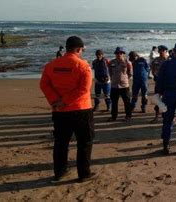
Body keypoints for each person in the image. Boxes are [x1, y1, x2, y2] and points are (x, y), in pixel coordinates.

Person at [40, 36, 95, 183]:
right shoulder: (83, 66)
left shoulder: (51, 65)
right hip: (81, 109)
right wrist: (64, 101)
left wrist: (56, 101)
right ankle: (83, 174)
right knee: (84, 142)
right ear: (78, 49)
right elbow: (84, 89)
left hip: (60, 112)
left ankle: (60, 172)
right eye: (82, 50)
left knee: (61, 143)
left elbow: (44, 85)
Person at [108, 47, 133, 122]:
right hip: (114, 86)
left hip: (124, 86)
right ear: (115, 54)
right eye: (117, 53)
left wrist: (124, 79)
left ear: (123, 54)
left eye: (120, 53)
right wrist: (114, 79)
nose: (119, 54)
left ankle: (128, 116)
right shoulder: (111, 62)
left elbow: (130, 73)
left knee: (127, 102)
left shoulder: (128, 62)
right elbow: (110, 72)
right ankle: (114, 116)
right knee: (114, 102)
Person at [150, 45, 169, 123]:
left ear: (166, 51)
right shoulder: (155, 60)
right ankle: (156, 117)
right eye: (160, 50)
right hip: (158, 83)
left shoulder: (169, 60)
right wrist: (155, 75)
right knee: (157, 100)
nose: (161, 52)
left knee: (168, 100)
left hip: (167, 84)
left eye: (163, 50)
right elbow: (152, 69)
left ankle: (168, 117)